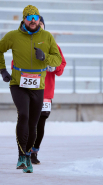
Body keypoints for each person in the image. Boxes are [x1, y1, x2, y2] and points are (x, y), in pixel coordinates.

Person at [0, 5, 62, 173]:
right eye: (29, 17)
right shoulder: (13, 36)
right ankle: (22, 156)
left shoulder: (47, 37)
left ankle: (29, 154)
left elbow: (58, 60)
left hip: (38, 86)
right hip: (18, 84)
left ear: (39, 19)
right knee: (23, 115)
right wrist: (3, 71)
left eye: (36, 17)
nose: (33, 21)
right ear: (24, 19)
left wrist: (45, 57)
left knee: (34, 123)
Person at [31, 16, 67, 164]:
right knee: (29, 121)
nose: (39, 27)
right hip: (30, 89)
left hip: (46, 92)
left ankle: (34, 151)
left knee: (41, 122)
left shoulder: (53, 46)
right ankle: (25, 151)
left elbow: (61, 66)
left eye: (41, 25)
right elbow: (15, 63)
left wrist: (53, 66)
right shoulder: (25, 45)